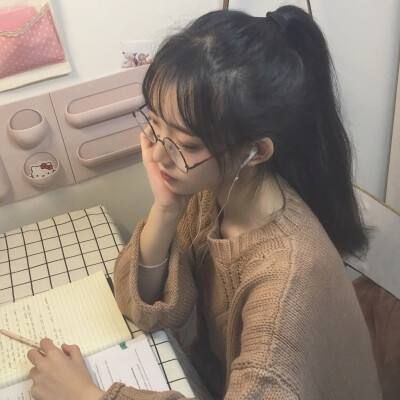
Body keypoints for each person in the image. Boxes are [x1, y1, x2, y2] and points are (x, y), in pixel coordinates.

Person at [27, 6, 382, 400]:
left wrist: (86, 395)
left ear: (256, 152)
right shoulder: (213, 192)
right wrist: (166, 208)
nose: (158, 155)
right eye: (155, 124)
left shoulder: (287, 279)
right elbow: (142, 306)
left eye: (187, 144)